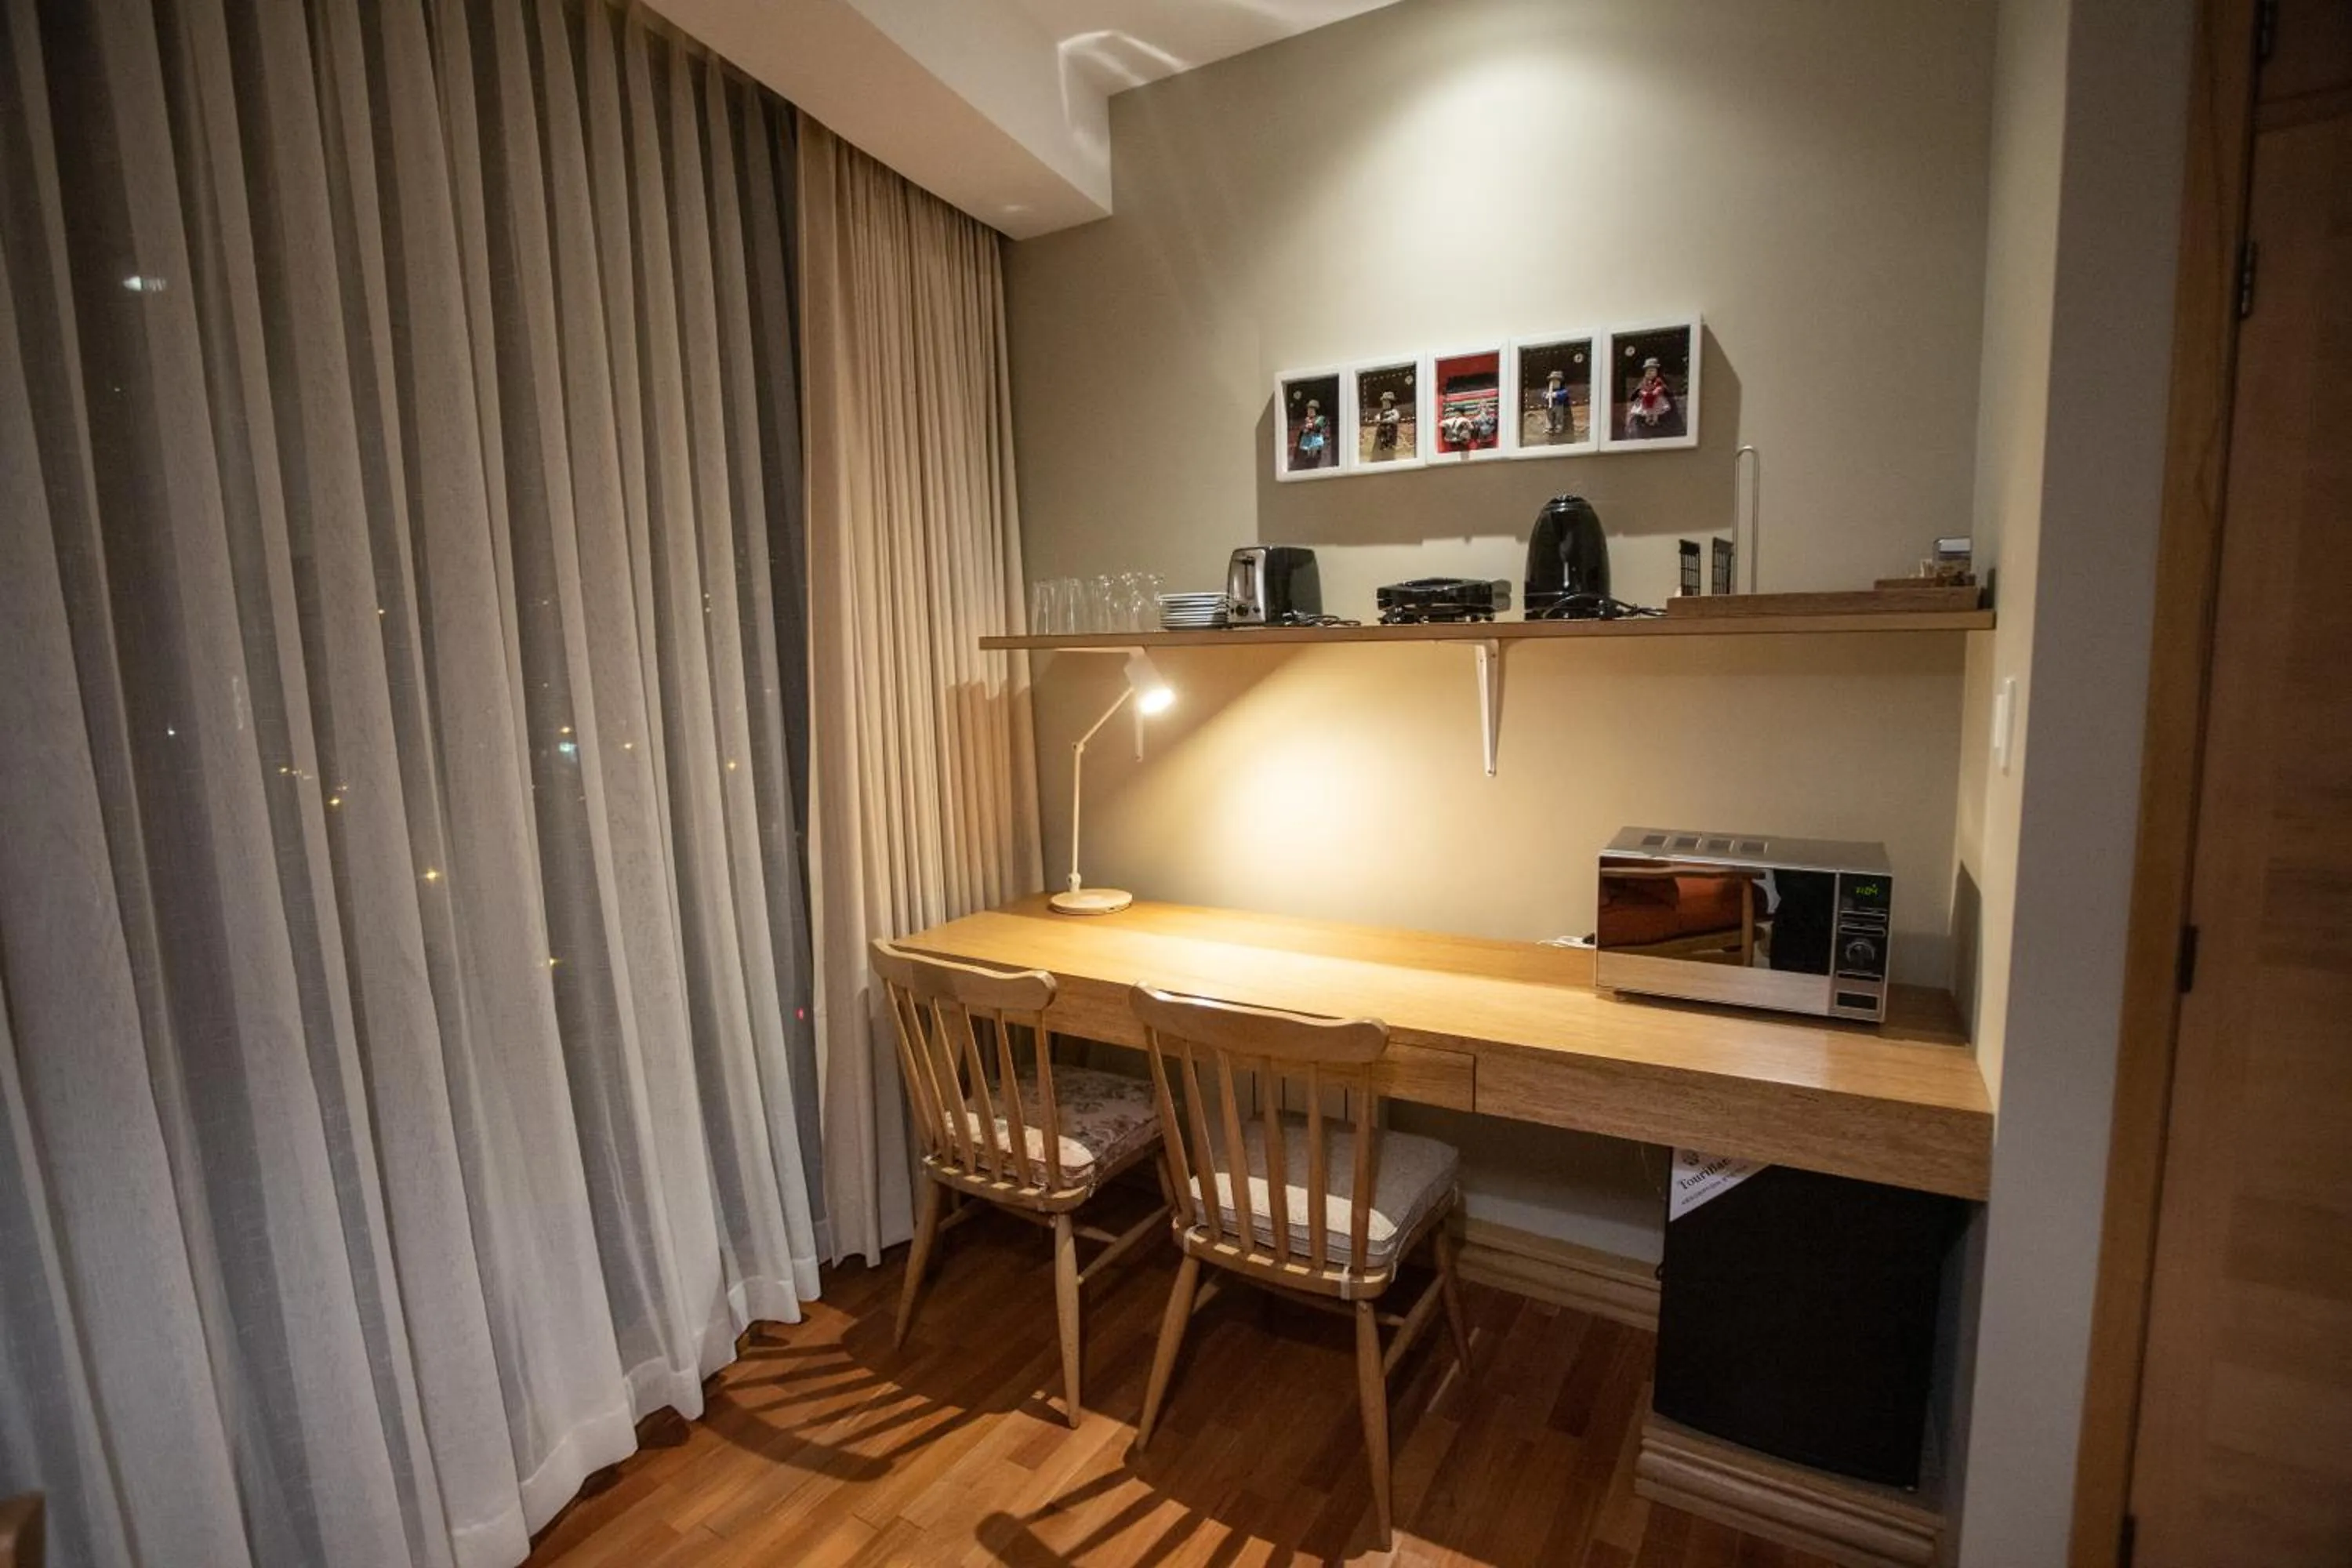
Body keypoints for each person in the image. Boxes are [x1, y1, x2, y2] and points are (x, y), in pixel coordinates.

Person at [1626, 355, 1678, 436]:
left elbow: (1664, 388)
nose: (1650, 373)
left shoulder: (1658, 381)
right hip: (1645, 399)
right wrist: (1641, 393)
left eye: (1652, 371)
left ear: (1657, 372)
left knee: (1656, 409)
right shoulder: (1644, 381)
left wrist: (1659, 390)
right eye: (1648, 371)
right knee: (1646, 410)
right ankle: (1647, 419)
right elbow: (1638, 389)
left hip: (1656, 399)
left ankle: (1655, 420)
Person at [1294, 397, 1328, 467]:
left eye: (1311, 409)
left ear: (1316, 410)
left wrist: (1311, 425)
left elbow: (1318, 427)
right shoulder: (1306, 420)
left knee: (1314, 460)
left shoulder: (1320, 418)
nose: (1309, 411)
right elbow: (1302, 431)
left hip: (1315, 444)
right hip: (1306, 446)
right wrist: (1304, 429)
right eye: (1308, 409)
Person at [1372, 387, 1403, 456]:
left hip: (1390, 426)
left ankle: (1389, 443)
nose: (1384, 404)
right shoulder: (1382, 412)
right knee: (1381, 430)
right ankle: (1383, 443)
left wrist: (1388, 420)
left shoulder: (1394, 411)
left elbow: (1396, 417)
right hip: (1383, 426)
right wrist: (1377, 419)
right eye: (1383, 403)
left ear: (1391, 403)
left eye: (1386, 403)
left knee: (1388, 429)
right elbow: (1378, 416)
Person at [1542, 368, 1571, 438]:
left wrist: (1556, 395)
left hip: (1558, 405)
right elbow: (1543, 394)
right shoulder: (1549, 389)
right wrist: (1546, 395)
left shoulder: (1562, 390)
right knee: (1549, 416)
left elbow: (1564, 394)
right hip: (1550, 406)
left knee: (1559, 416)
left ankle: (1559, 427)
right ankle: (1549, 427)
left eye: (1556, 381)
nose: (1554, 382)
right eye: (1552, 381)